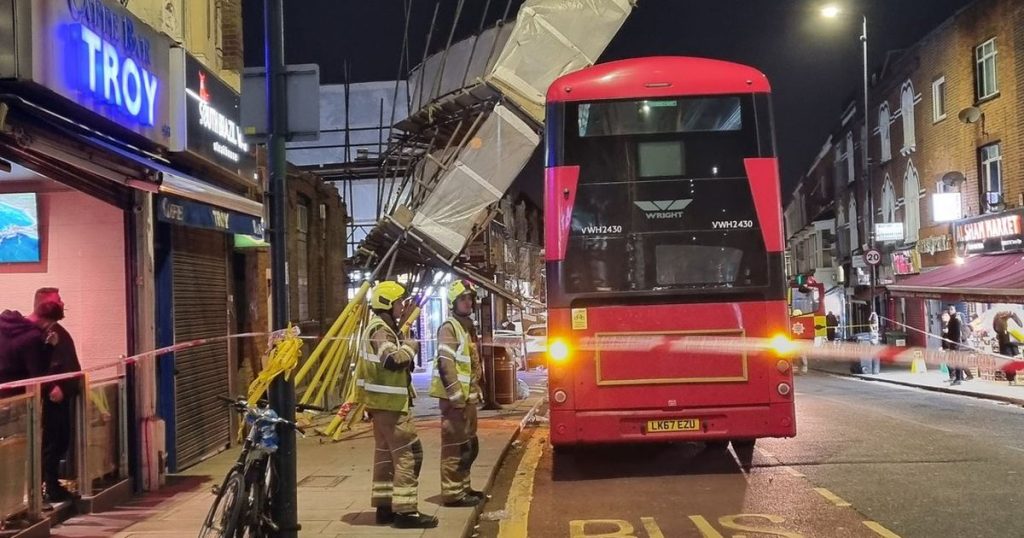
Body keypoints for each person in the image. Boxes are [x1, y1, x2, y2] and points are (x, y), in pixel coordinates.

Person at [357, 281, 437, 529]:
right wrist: (411, 347)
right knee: (410, 454)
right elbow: (392, 360)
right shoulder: (380, 330)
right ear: (387, 304)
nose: (402, 306)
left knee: (385, 456)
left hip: (381, 404)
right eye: (399, 302)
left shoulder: (380, 327)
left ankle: (385, 508)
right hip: (391, 406)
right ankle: (406, 512)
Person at [430, 280, 485, 508]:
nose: (468, 302)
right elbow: (446, 364)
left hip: (467, 400)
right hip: (455, 402)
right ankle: (453, 494)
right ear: (453, 302)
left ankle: (464, 487)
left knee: (468, 446)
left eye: (470, 298)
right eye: (463, 298)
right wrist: (456, 398)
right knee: (455, 447)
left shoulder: (466, 327)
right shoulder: (449, 327)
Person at [36, 288, 82, 503]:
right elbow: (39, 365)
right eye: (58, 300)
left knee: (59, 442)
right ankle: (48, 486)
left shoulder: (57, 332)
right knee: (51, 443)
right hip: (52, 400)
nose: (62, 304)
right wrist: (52, 387)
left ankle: (51, 484)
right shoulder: (42, 334)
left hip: (61, 397)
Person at [946, 306, 965, 385]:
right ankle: (959, 377)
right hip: (953, 343)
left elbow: (957, 333)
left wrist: (954, 344)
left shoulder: (956, 319)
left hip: (955, 344)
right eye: (949, 309)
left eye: (951, 309)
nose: (950, 311)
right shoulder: (952, 319)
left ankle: (958, 379)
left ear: (955, 310)